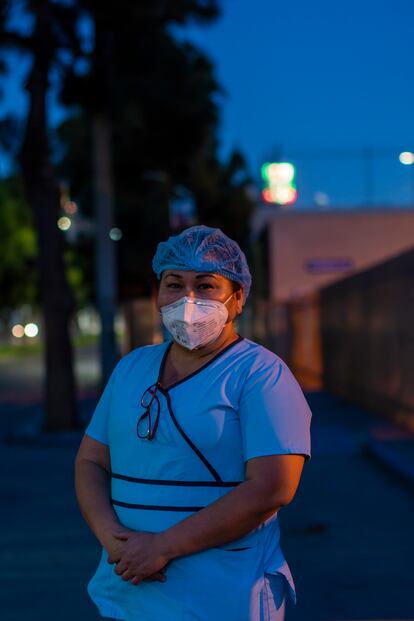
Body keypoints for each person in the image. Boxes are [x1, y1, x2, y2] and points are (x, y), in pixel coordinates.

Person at [75, 225, 312, 621]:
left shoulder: (260, 374)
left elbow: (273, 487)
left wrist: (162, 547)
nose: (187, 300)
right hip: (132, 588)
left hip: (224, 594)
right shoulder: (132, 368)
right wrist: (113, 541)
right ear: (158, 294)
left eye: (205, 286)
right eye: (173, 284)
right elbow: (91, 462)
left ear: (237, 299)